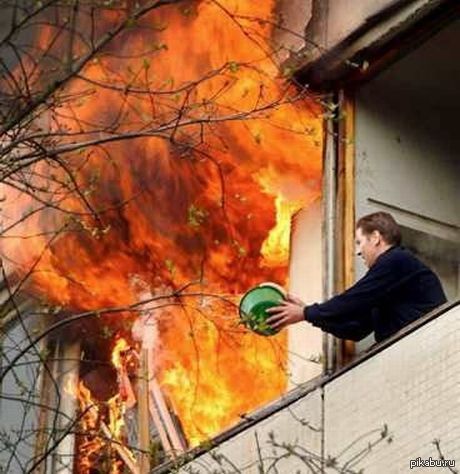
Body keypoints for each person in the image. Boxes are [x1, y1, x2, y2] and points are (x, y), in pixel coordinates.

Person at [266, 212, 447, 342]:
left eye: (359, 242)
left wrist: (306, 312)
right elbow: (355, 330)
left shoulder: (396, 260)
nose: (358, 252)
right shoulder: (386, 286)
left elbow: (353, 299)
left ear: (375, 237)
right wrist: (308, 315)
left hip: (428, 343)